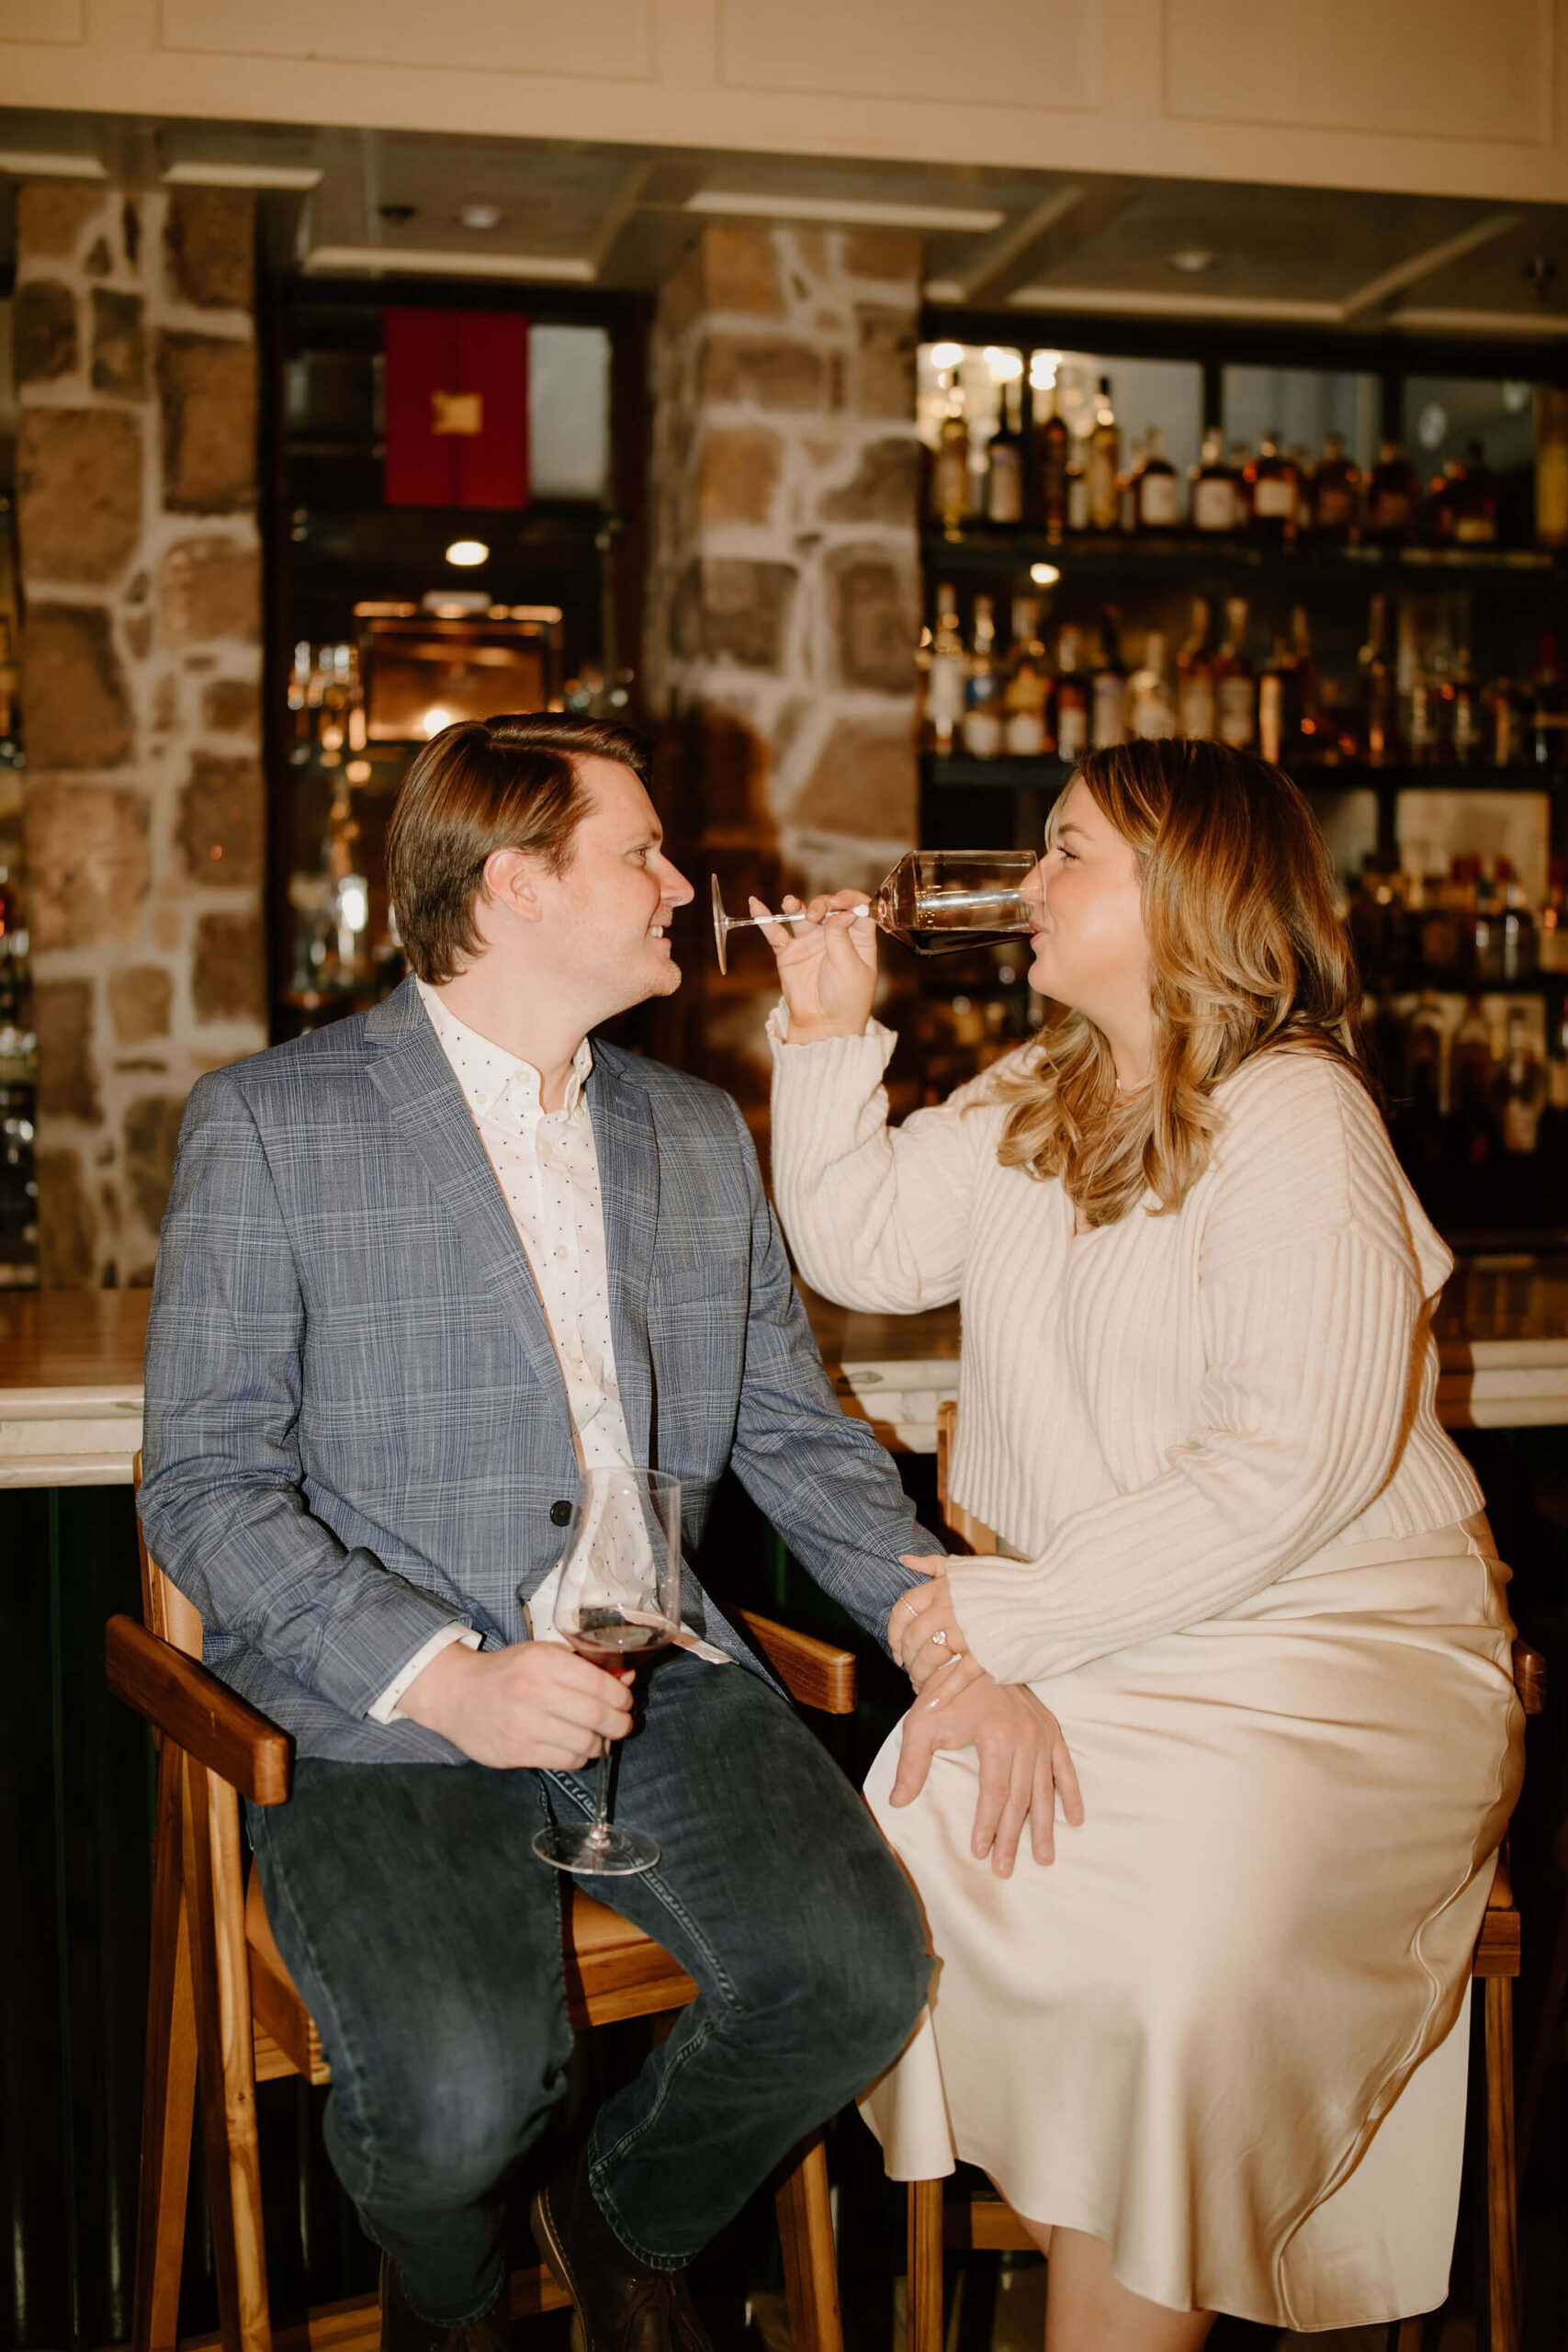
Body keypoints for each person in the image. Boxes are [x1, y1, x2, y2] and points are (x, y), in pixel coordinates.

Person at [138, 712, 1052, 2352]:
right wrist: (444, 1675)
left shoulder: (694, 1134)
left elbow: (791, 1431)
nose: (681, 885)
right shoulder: (272, 1124)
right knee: (461, 2100)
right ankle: (458, 2304)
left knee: (853, 1975)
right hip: (385, 1717)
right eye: (639, 851)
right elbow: (204, 1485)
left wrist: (939, 1633)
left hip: (662, 1671)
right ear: (514, 888)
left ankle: (617, 2219)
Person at [760, 739, 1524, 2349]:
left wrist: (1003, 1627)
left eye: (1066, 853)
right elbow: (864, 1243)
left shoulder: (1299, 1117)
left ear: (1186, 893)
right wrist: (826, 1037)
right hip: (1128, 1634)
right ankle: (1125, 2275)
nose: (1026, 886)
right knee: (933, 1817)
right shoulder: (1047, 1088)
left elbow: (1289, 1471)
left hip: (1341, 1649)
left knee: (1166, 1976)